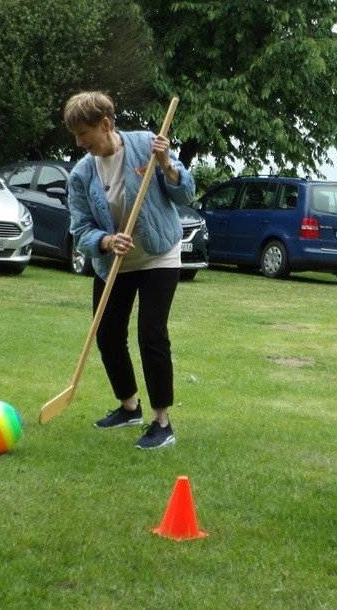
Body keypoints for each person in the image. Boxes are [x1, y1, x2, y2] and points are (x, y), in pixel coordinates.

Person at [64, 91, 195, 450]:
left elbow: (185, 194)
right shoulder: (82, 174)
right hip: (114, 261)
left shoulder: (146, 145)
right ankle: (129, 407)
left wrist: (167, 164)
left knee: (151, 333)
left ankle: (162, 422)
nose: (79, 142)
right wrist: (106, 241)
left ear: (105, 124)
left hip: (157, 253)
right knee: (107, 334)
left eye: (83, 133)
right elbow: (81, 229)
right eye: (75, 135)